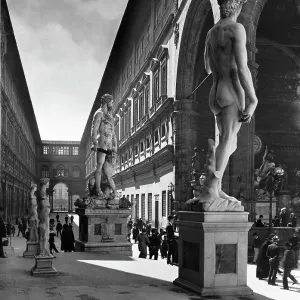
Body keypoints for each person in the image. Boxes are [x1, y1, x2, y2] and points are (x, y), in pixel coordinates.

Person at [204, 0, 258, 200]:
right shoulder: (236, 28)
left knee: (229, 143)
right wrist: (253, 100)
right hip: (231, 90)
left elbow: (207, 67)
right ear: (238, 7)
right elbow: (243, 68)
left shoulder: (211, 32)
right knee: (227, 140)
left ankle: (215, 188)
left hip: (215, 92)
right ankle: (211, 188)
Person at [91, 94, 117, 198]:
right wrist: (94, 142)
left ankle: (111, 191)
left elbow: (113, 133)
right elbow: (94, 128)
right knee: (99, 166)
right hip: (101, 142)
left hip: (109, 145)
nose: (112, 104)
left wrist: (115, 145)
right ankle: (98, 189)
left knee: (107, 170)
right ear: (106, 101)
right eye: (111, 102)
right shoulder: (99, 113)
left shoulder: (110, 116)